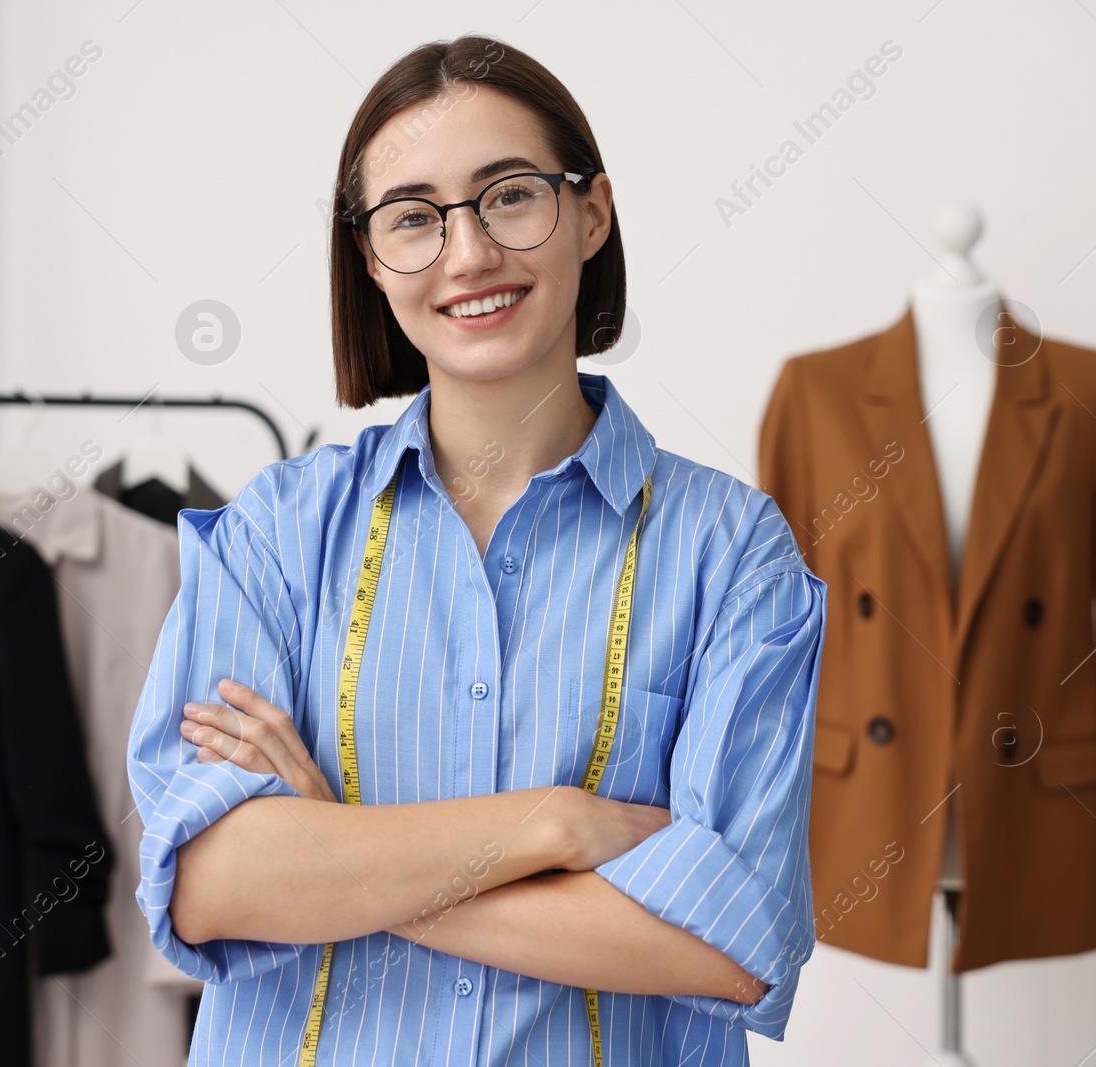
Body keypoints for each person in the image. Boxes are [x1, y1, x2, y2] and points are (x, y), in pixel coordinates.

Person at [126, 33, 828, 1066]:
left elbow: (728, 943)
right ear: (371, 257)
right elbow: (211, 882)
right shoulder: (275, 533)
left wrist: (341, 855)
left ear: (589, 213)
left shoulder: (732, 556)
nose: (466, 256)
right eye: (413, 217)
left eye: (508, 196)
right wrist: (550, 824)